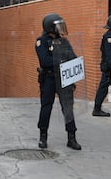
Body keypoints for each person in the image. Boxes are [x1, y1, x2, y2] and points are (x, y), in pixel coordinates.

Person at [35, 13, 81, 150]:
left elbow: (73, 57)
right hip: (49, 78)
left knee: (68, 108)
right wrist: (62, 61)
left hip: (64, 78)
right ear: (50, 27)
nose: (60, 29)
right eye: (58, 26)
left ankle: (71, 137)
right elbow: (45, 61)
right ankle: (43, 136)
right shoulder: (41, 42)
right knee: (46, 107)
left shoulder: (64, 41)